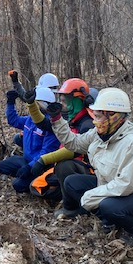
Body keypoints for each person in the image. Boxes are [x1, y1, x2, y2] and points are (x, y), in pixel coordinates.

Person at [46, 88, 133, 246]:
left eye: (99, 116)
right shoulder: (99, 133)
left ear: (113, 117)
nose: (95, 120)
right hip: (109, 185)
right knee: (71, 182)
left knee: (108, 205)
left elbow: (127, 185)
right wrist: (57, 119)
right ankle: (109, 218)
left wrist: (91, 196)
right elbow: (74, 143)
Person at [26, 78, 95, 210]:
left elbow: (74, 149)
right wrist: (32, 105)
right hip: (70, 169)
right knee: (36, 186)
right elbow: (44, 124)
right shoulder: (72, 118)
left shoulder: (87, 124)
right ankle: (67, 193)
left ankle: (75, 205)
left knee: (63, 167)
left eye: (65, 101)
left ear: (76, 100)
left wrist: (43, 160)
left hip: (84, 170)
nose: (62, 105)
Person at [0, 86, 60, 193]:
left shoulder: (50, 125)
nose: (32, 107)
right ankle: (25, 174)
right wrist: (10, 103)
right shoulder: (30, 120)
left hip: (40, 166)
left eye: (36, 103)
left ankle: (40, 180)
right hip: (26, 160)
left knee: (18, 185)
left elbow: (46, 152)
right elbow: (13, 120)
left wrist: (30, 167)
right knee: (2, 166)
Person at [7, 70, 59, 148]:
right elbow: (27, 97)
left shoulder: (55, 112)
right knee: (18, 138)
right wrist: (16, 83)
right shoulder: (30, 118)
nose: (36, 104)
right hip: (35, 124)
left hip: (47, 140)